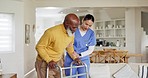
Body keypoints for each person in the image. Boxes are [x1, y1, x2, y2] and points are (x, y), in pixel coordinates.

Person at [35, 13, 82, 78]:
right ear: (66, 24)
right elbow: (39, 47)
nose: (75, 30)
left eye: (77, 27)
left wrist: (75, 58)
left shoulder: (70, 33)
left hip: (58, 61)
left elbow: (69, 47)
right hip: (45, 62)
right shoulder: (51, 32)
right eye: (73, 27)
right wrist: (49, 60)